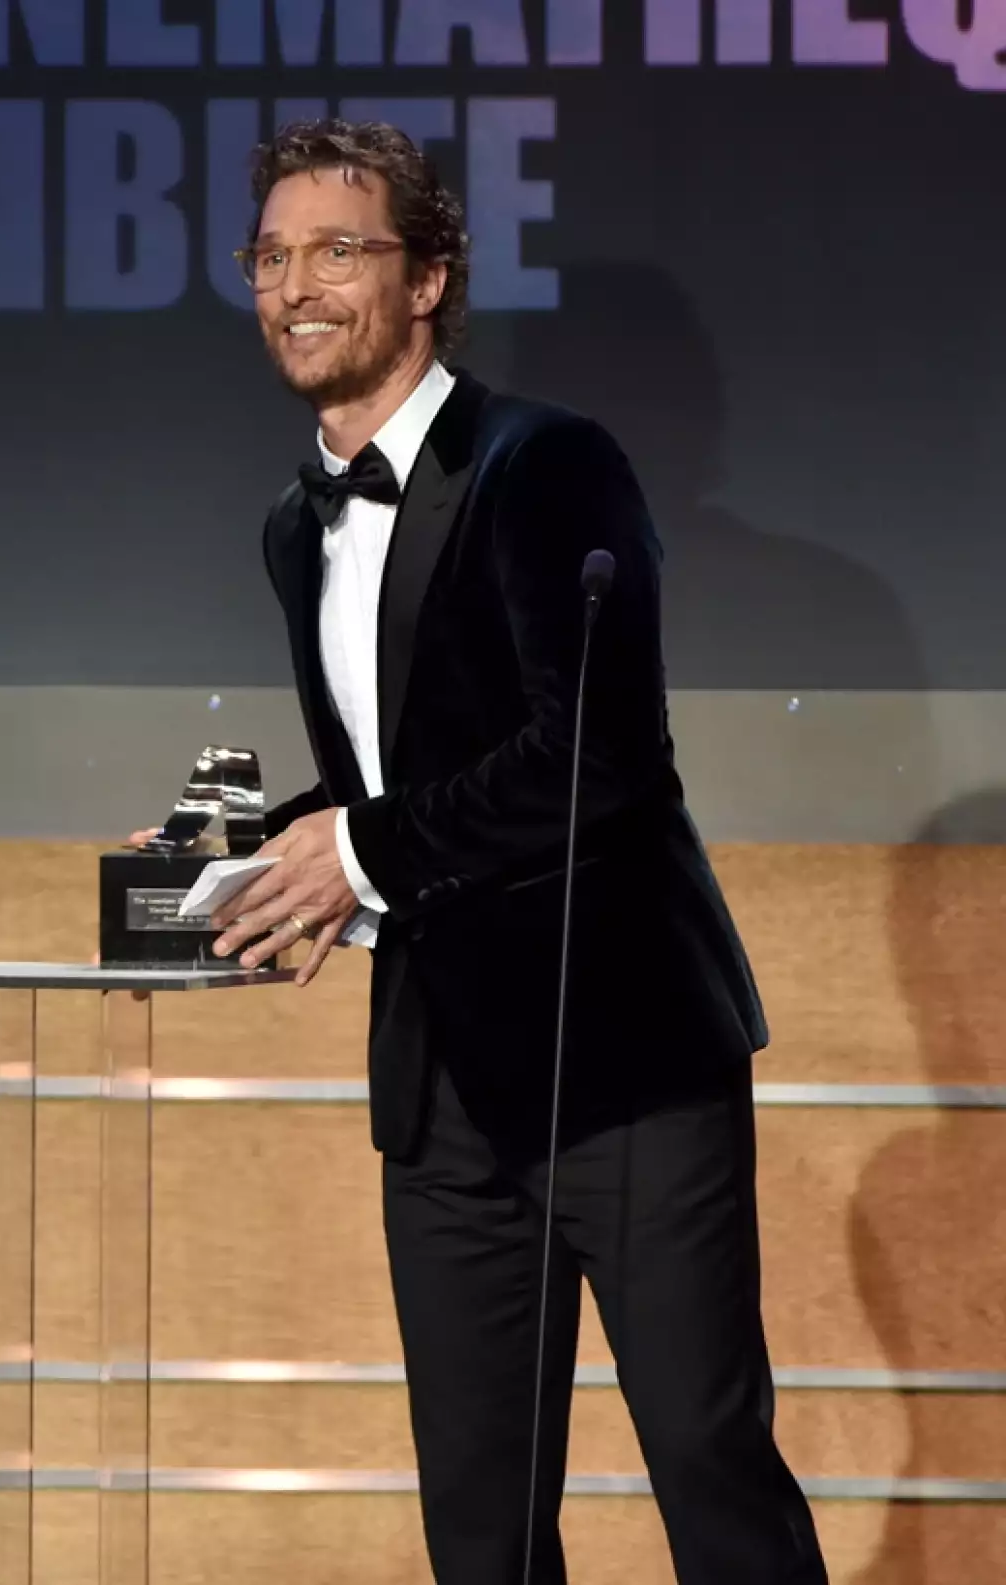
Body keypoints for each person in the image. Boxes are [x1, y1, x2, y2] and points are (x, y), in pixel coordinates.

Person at [206, 119, 829, 1585]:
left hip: (624, 1066)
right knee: (478, 1528)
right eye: (272, 255)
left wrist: (355, 855)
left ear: (426, 280)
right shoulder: (296, 531)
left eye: (337, 250)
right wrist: (241, 860)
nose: (296, 284)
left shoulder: (546, 465)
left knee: (709, 1471)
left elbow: (596, 759)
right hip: (444, 1093)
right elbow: (402, 774)